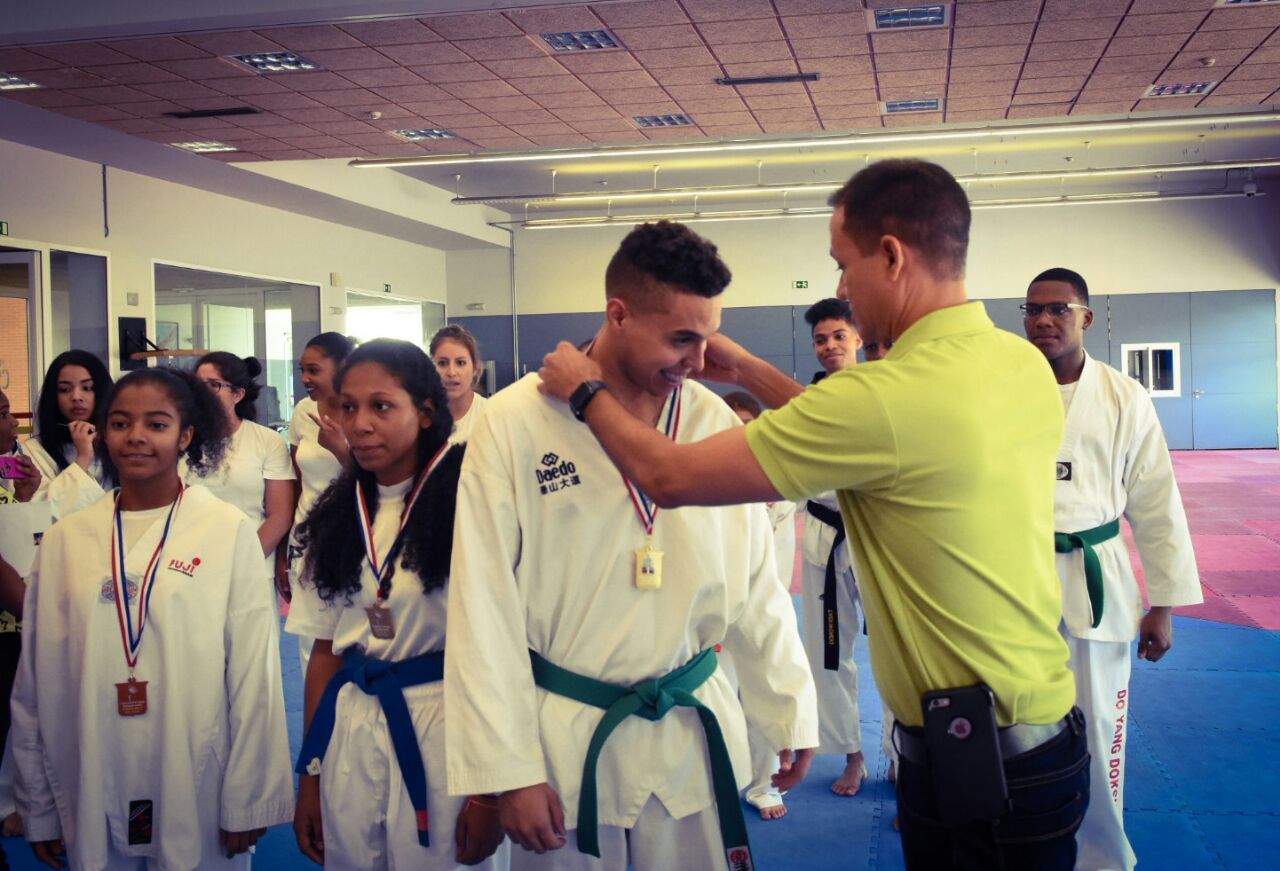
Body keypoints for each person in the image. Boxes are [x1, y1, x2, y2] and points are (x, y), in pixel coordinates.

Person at [538, 160, 1088, 870]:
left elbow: (668, 476)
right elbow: (867, 432)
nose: (841, 289)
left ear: (891, 255)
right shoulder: (1016, 363)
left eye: (842, 264)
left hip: (978, 763)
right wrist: (747, 369)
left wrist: (586, 391)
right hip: (1043, 736)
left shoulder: (886, 396)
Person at [445, 220, 818, 871]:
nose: (698, 362)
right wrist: (506, 771)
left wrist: (787, 705)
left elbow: (757, 582)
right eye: (680, 338)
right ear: (618, 314)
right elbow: (482, 605)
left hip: (693, 736)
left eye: (707, 338)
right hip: (564, 743)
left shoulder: (710, 418)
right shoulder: (512, 422)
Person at [11, 368, 293, 870]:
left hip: (195, 763)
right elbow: (36, 678)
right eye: (120, 423)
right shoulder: (66, 540)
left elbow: (255, 673)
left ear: (186, 435)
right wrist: (38, 804)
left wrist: (248, 797)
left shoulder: (225, 530)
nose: (136, 436)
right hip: (92, 758)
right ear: (103, 432)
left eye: (157, 424)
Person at [288, 339, 506, 871]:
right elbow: (324, 652)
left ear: (425, 412)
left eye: (381, 406)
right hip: (351, 722)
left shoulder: (471, 500)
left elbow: (505, 651)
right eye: (349, 407)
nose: (359, 424)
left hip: (447, 721)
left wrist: (492, 789)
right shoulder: (337, 515)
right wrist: (310, 776)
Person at [1023, 267, 1202, 871]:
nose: (1044, 320)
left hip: (1096, 576)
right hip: (1016, 579)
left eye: (1058, 308)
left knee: (1100, 727)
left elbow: (1156, 503)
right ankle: (1028, 847)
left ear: (1086, 317)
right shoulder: (1003, 391)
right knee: (1017, 728)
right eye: (1033, 309)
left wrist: (1163, 605)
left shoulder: (1125, 397)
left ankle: (1101, 855)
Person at [799, 298, 871, 797]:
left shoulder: (882, 392)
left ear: (858, 338)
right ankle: (853, 754)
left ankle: (902, 759)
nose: (829, 346)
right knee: (828, 654)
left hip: (875, 536)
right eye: (821, 339)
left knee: (895, 653)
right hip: (823, 536)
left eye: (838, 336)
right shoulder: (805, 402)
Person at [720, 391, 796, 820]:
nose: (739, 432)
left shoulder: (777, 484)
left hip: (764, 606)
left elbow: (778, 562)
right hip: (717, 613)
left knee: (763, 695)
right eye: (730, 423)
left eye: (746, 424)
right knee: (717, 700)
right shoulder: (705, 482)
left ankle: (764, 784)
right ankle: (718, 782)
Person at [184, 352, 295, 585]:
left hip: (250, 567)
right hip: (188, 565)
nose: (202, 393)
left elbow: (280, 515)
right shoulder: (183, 439)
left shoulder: (266, 441)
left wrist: (243, 562)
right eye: (198, 385)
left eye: (213, 385)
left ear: (238, 394)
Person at [281, 333, 355, 668]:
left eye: (314, 370)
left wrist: (340, 449)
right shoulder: (303, 411)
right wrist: (286, 551)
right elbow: (298, 482)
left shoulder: (362, 411)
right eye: (302, 370)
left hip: (354, 537)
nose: (305, 379)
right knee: (310, 643)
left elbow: (378, 480)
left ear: (342, 367)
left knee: (353, 638)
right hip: (307, 538)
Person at [24, 350, 117, 519]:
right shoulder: (34, 450)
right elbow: (44, 514)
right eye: (64, 389)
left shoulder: (119, 442)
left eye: (87, 388)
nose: (76, 397)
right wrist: (83, 459)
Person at [430, 325, 488, 444]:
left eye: (460, 363)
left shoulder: (490, 414)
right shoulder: (421, 416)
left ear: (474, 368)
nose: (451, 372)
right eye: (442, 363)